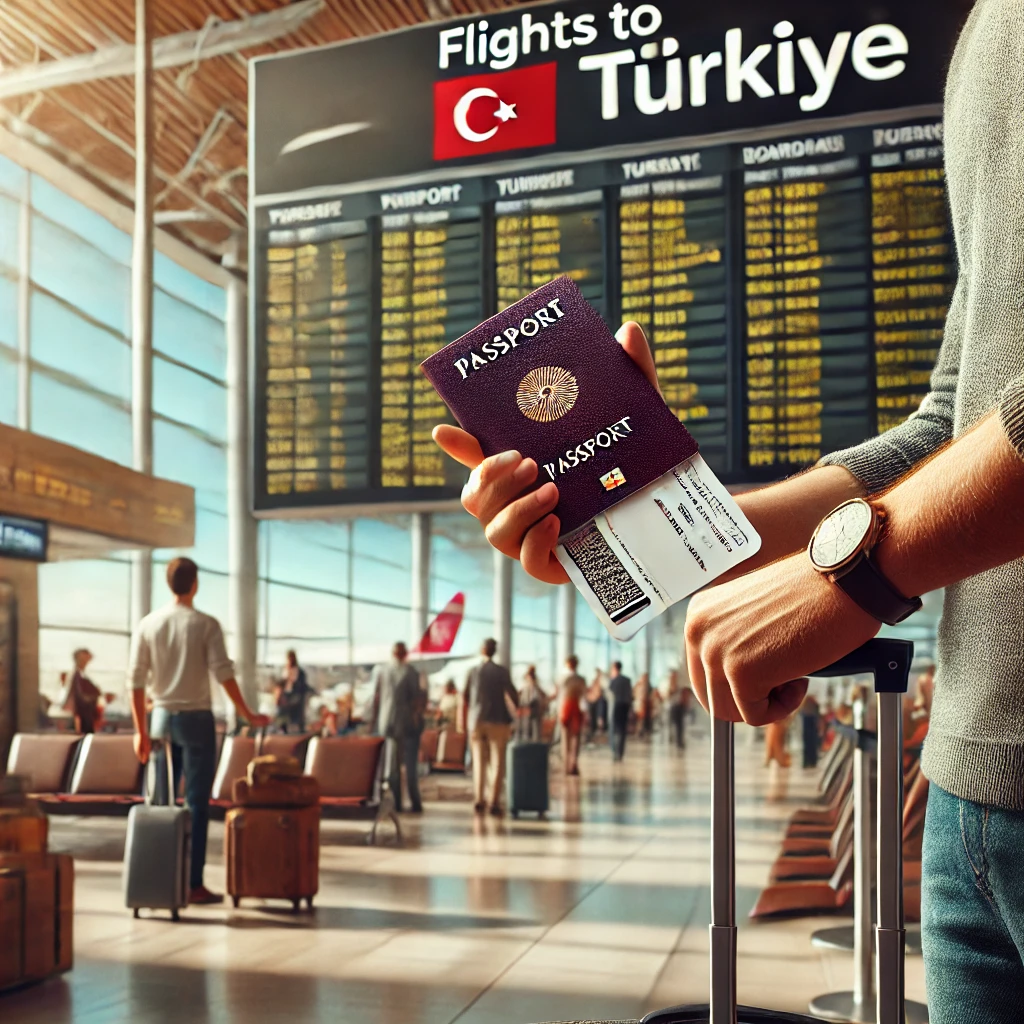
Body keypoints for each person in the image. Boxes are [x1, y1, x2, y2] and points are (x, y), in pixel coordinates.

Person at [433, 7, 1024, 1011]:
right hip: (973, 794)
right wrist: (665, 529)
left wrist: (861, 567)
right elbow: (954, 416)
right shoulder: (985, 36)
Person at [128, 557, 269, 906]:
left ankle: (161, 880)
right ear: (195, 584)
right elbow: (223, 674)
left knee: (160, 802)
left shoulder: (149, 624)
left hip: (159, 719)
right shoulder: (206, 625)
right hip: (196, 720)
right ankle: (193, 883)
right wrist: (247, 713)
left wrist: (140, 731)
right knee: (197, 802)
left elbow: (135, 681)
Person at [464, 638, 518, 815]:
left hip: (476, 721)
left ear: (482, 650)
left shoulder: (473, 671)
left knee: (479, 761)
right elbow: (511, 692)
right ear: (495, 651)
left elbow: (465, 696)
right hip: (498, 719)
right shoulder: (502, 672)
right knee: (497, 762)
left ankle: (479, 799)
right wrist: (517, 708)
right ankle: (493, 801)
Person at [371, 642, 423, 815]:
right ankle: (415, 801)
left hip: (388, 722)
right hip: (407, 722)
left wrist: (374, 721)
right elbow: (416, 699)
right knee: (410, 764)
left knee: (392, 765)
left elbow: (377, 698)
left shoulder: (382, 671)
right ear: (405, 654)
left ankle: (397, 802)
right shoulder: (411, 672)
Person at [558, 656, 587, 776]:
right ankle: (573, 764)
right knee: (576, 738)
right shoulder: (581, 679)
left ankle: (565, 766)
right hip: (577, 708)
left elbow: (560, 696)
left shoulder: (563, 678)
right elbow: (584, 697)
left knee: (565, 739)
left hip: (565, 708)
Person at [274, 650, 312, 734]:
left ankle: (299, 729)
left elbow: (302, 686)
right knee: (281, 711)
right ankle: (282, 728)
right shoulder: (284, 671)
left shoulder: (299, 672)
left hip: (296, 695)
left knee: (296, 712)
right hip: (285, 695)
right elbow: (280, 684)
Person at [67, 648, 101, 734]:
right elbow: (80, 696)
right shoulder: (77, 675)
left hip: (86, 713)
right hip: (83, 714)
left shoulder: (80, 674)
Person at [608, 661, 633, 762]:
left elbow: (610, 693)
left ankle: (615, 751)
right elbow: (630, 694)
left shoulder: (613, 680)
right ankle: (620, 752)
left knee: (614, 729)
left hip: (616, 705)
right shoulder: (627, 680)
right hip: (625, 705)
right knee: (622, 729)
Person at [519, 665, 547, 741]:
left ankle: (530, 741)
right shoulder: (533, 684)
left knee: (528, 726)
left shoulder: (529, 684)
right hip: (532, 706)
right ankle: (533, 741)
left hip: (529, 705)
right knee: (532, 726)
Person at [799, 694, 821, 770]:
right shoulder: (813, 707)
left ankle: (808, 762)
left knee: (808, 745)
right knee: (811, 745)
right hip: (810, 728)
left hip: (809, 727)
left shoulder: (806, 710)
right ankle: (810, 762)